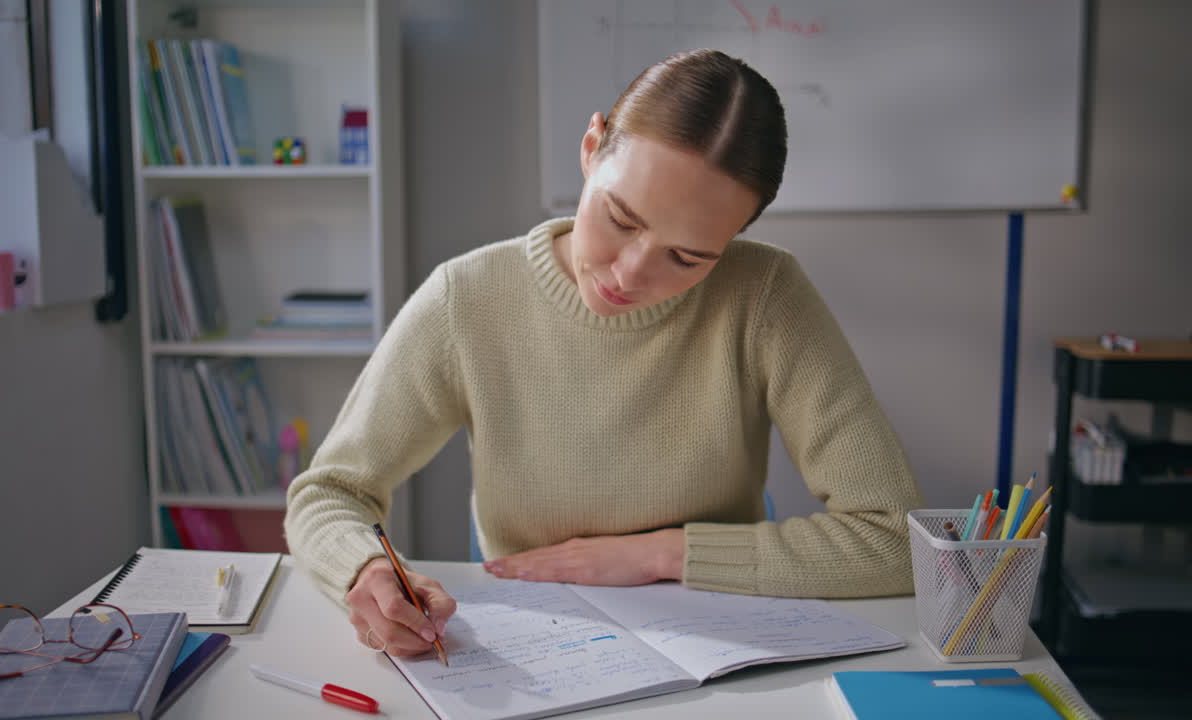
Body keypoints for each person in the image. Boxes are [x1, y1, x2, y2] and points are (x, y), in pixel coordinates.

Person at [285, 49, 925, 658]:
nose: (629, 274)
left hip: (722, 632)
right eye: (620, 218)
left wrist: (656, 555)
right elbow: (330, 492)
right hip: (535, 635)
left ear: (737, 236)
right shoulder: (469, 296)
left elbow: (897, 536)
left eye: (689, 256)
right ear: (591, 149)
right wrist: (363, 570)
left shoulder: (764, 293)